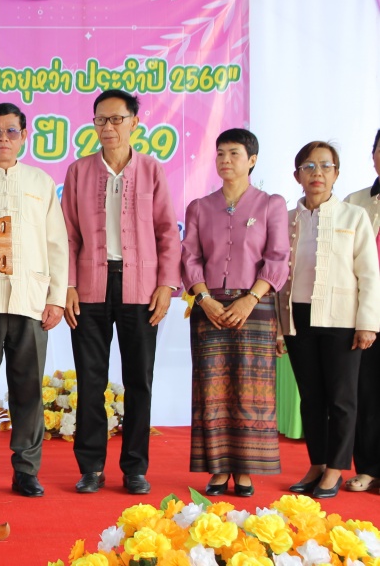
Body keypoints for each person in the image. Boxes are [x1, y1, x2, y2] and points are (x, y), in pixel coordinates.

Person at [62, 89, 181, 495]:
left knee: (139, 382)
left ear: (134, 122)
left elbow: (167, 232)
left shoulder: (151, 170)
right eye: (101, 120)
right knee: (90, 381)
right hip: (89, 288)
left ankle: (135, 468)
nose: (108, 127)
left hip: (141, 289)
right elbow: (68, 235)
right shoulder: (79, 171)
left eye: (116, 119)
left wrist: (166, 284)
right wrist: (68, 285)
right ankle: (91, 467)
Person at [0, 103, 68, 498]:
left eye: (11, 131)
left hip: (30, 300)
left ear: (24, 137)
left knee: (29, 390)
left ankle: (26, 470)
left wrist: (56, 297)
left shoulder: (40, 182)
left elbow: (56, 244)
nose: (3, 138)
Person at [180, 128, 289, 497]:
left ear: (252, 160)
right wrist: (205, 299)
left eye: (234, 154)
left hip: (254, 307)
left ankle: (244, 470)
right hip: (208, 306)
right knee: (211, 391)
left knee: (252, 391)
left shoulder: (271, 204)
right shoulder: (199, 207)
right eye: (220, 153)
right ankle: (217, 468)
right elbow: (190, 258)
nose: (225, 160)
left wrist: (250, 299)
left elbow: (278, 258)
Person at [279, 141, 380, 499]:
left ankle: (335, 470)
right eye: (308, 166)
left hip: (341, 319)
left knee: (341, 399)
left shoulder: (354, 216)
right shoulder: (287, 219)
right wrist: (279, 326)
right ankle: (317, 464)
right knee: (311, 397)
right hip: (299, 317)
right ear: (297, 176)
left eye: (325, 166)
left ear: (336, 174)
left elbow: (369, 274)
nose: (317, 173)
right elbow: (278, 275)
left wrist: (367, 323)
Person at [342, 129, 380, 493]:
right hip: (366, 312)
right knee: (368, 393)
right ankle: (369, 468)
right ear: (373, 156)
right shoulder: (354, 203)